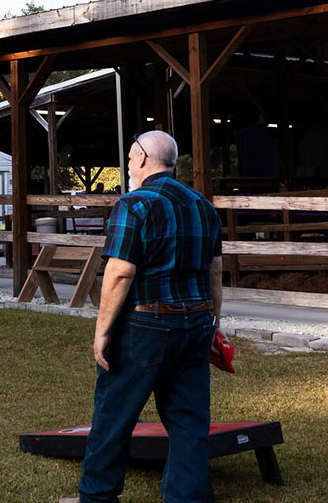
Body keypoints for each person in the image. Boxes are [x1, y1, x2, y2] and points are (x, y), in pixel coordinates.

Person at [73, 130, 223, 503]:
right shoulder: (203, 205)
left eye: (127, 158)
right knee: (189, 423)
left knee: (114, 417)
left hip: (146, 325)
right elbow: (215, 272)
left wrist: (102, 329)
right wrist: (213, 322)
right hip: (196, 322)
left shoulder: (134, 204)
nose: (127, 165)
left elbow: (120, 272)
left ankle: (97, 498)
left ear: (140, 158)